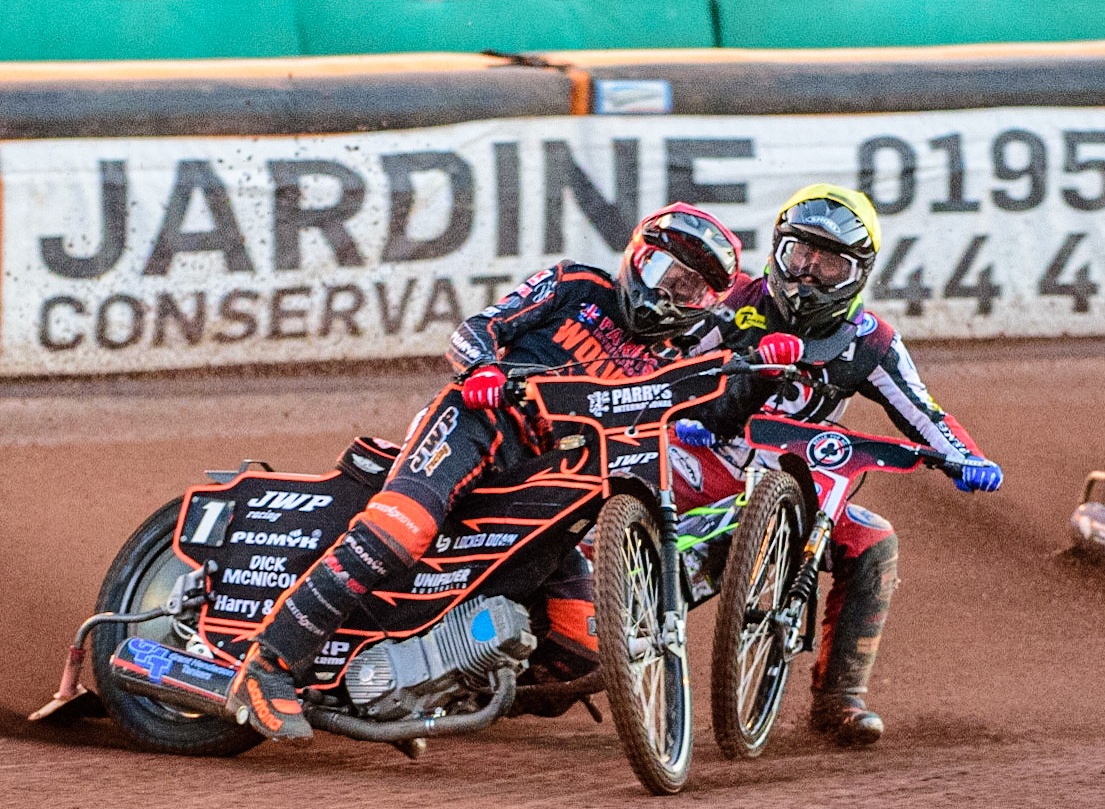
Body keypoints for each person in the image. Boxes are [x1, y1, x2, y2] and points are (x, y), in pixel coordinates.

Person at [224, 204, 744, 742]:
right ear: (638, 259)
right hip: (477, 423)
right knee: (401, 529)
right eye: (663, 273)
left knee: (583, 646)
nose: (668, 294)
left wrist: (773, 365)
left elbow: (722, 390)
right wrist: (483, 370)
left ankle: (447, 684)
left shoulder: (674, 357)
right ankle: (268, 664)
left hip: (550, 477)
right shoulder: (575, 285)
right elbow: (477, 329)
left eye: (687, 290)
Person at [671, 184, 1003, 747]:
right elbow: (654, 365)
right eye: (799, 255)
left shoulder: (870, 343)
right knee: (618, 483)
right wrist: (683, 409)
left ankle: (839, 700)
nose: (807, 276)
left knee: (874, 541)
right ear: (778, 250)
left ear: (859, 273)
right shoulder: (729, 306)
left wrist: (965, 458)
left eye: (828, 265)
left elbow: (924, 414)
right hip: (703, 458)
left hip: (800, 491)